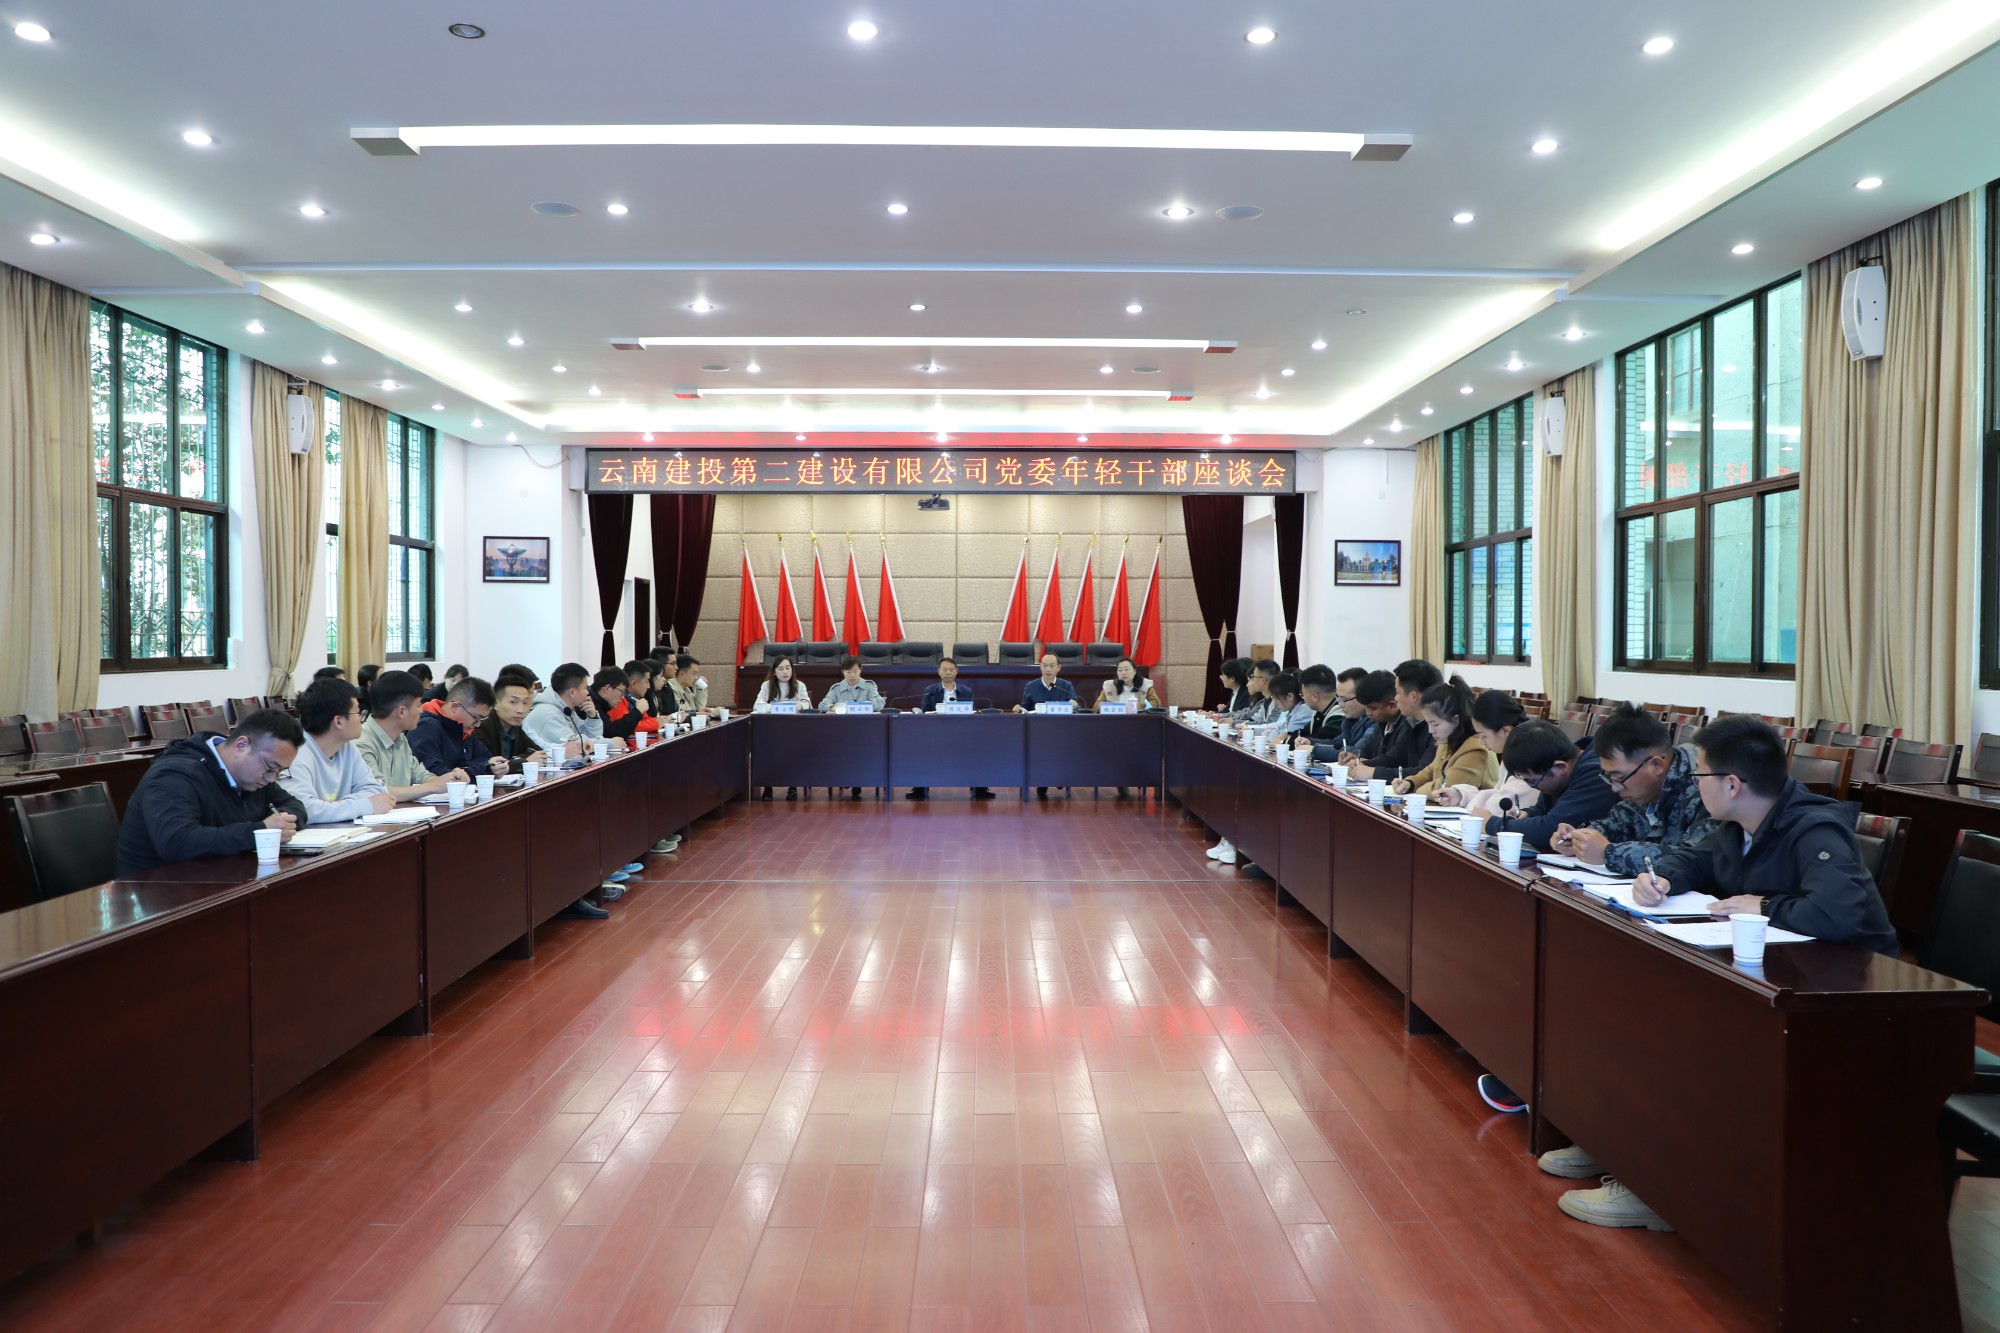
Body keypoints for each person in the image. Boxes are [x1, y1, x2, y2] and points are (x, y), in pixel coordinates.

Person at [1546, 716, 1898, 1233]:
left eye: (1701, 775)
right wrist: (1661, 880)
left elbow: (1838, 914)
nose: (1695, 784)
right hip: (1772, 976)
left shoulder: (1814, 827)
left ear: (1732, 784)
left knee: (1684, 1032)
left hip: (1840, 1000)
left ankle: (1660, 1187)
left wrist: (1765, 905)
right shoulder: (1737, 826)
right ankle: (1616, 1144)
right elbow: (1692, 859)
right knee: (1625, 999)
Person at [116, 709, 310, 876]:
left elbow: (295, 805)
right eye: (270, 767)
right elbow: (176, 842)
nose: (272, 778)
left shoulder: (257, 776)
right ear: (241, 746)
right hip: (155, 889)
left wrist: (282, 823)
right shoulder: (173, 775)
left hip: (218, 877)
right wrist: (259, 831)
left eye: (279, 771)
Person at [1550, 704, 1718, 875]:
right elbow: (1618, 825)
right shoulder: (1644, 789)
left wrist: (1609, 854)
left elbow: (1695, 861)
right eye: (1608, 776)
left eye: (1619, 777)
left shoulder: (1707, 787)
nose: (1614, 787)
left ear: (1656, 765)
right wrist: (1580, 838)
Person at [279, 677, 395, 823]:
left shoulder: (347, 746)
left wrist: (334, 807)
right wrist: (363, 805)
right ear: (339, 721)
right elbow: (303, 809)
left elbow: (376, 789)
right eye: (358, 712)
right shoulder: (296, 755)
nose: (361, 719)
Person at [354, 669, 464, 802]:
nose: (422, 710)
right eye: (418, 705)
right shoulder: (361, 743)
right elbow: (377, 792)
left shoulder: (400, 739)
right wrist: (434, 786)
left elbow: (420, 775)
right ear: (401, 711)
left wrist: (451, 779)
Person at [1391, 677, 1499, 797]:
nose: (1430, 730)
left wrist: (1417, 790)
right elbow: (1430, 771)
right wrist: (1410, 783)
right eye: (1428, 723)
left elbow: (1444, 789)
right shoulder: (1447, 740)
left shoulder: (1476, 750)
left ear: (1456, 720)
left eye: (1435, 724)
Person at [909, 658, 996, 801]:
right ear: (939, 672)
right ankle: (919, 788)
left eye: (951, 669)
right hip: (935, 732)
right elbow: (924, 713)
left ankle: (980, 788)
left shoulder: (966, 691)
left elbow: (972, 713)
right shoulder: (930, 691)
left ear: (956, 672)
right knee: (919, 745)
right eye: (944, 669)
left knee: (980, 745)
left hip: (962, 732)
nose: (948, 672)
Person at [1432, 689, 1531, 813]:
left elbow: (1499, 806)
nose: (1481, 742)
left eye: (1483, 736)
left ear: (1505, 731)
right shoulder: (1512, 751)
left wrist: (1467, 798)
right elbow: (1498, 793)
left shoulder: (1528, 757)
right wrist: (1461, 795)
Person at [1345, 659, 1441, 781]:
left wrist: (1373, 773)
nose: (1395, 698)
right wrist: (1361, 764)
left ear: (1413, 697)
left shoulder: (1439, 729)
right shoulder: (1412, 723)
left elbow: (1422, 773)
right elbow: (1394, 759)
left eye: (1397, 693)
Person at [410, 675, 505, 777]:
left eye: (482, 719)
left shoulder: (462, 728)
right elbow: (434, 773)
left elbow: (485, 758)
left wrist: (464, 769)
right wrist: (483, 770)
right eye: (476, 718)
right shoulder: (425, 727)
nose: (478, 724)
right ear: (455, 707)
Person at [525, 662, 620, 760]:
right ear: (572, 692)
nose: (588, 692)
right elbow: (575, 746)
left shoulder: (567, 709)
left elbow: (588, 741)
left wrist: (593, 717)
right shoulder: (548, 713)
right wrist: (610, 743)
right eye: (585, 688)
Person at [821, 655, 885, 797]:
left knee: (862, 747)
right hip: (843, 732)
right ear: (843, 671)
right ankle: (849, 777)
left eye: (855, 671)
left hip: (866, 732)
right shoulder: (836, 688)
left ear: (861, 670)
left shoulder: (869, 686)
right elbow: (823, 705)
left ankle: (856, 780)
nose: (852, 675)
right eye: (848, 671)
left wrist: (866, 705)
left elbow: (880, 703)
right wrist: (833, 708)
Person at [1018, 653, 1080, 799]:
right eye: (1044, 665)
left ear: (1059, 668)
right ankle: (1044, 781)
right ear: (1040, 667)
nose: (1048, 669)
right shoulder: (1031, 686)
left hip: (1061, 731)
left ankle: (1057, 777)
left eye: (1052, 666)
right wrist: (1019, 708)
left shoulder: (1066, 686)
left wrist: (1074, 704)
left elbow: (1076, 705)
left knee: (1061, 747)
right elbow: (1025, 707)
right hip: (1037, 731)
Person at [754, 655, 811, 801]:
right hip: (772, 730)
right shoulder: (766, 686)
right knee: (766, 752)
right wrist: (781, 706)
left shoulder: (800, 685)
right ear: (774, 672)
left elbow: (807, 705)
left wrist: (796, 705)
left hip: (794, 729)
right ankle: (768, 787)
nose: (785, 672)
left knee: (793, 751)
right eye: (780, 669)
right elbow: (757, 706)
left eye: (787, 668)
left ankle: (792, 787)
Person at [474, 673, 548, 775]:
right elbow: (488, 766)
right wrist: (524, 762)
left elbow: (539, 753)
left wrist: (515, 761)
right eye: (513, 702)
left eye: (525, 703)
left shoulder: (515, 727)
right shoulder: (482, 727)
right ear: (496, 703)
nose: (521, 710)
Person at [594, 667, 658, 741]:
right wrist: (638, 711)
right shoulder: (591, 704)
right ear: (608, 688)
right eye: (622, 691)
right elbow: (614, 732)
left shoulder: (602, 703)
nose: (622, 697)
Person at [1096, 657, 1162, 711]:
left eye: (1127, 669)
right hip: (1115, 720)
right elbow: (1096, 707)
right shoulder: (1109, 686)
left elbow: (1156, 703)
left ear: (1134, 671)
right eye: (1120, 670)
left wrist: (1140, 706)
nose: (1123, 673)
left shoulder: (1145, 685)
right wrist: (1110, 706)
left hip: (1138, 720)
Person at [667, 653, 718, 718]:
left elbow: (699, 708)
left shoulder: (686, 688)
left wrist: (700, 689)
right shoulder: (671, 689)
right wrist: (713, 712)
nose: (696, 678)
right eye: (694, 673)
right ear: (682, 674)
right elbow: (685, 713)